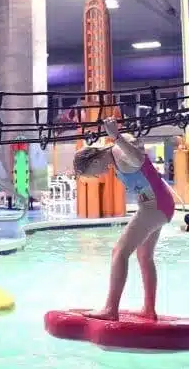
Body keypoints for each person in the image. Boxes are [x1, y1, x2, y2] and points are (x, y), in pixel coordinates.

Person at [71, 117, 176, 321]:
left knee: (119, 252)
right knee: (144, 256)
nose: (96, 177)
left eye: (92, 174)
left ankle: (111, 309)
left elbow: (139, 159)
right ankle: (149, 310)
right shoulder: (116, 156)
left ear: (93, 162)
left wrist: (116, 136)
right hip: (158, 204)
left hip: (155, 207)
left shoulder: (119, 150)